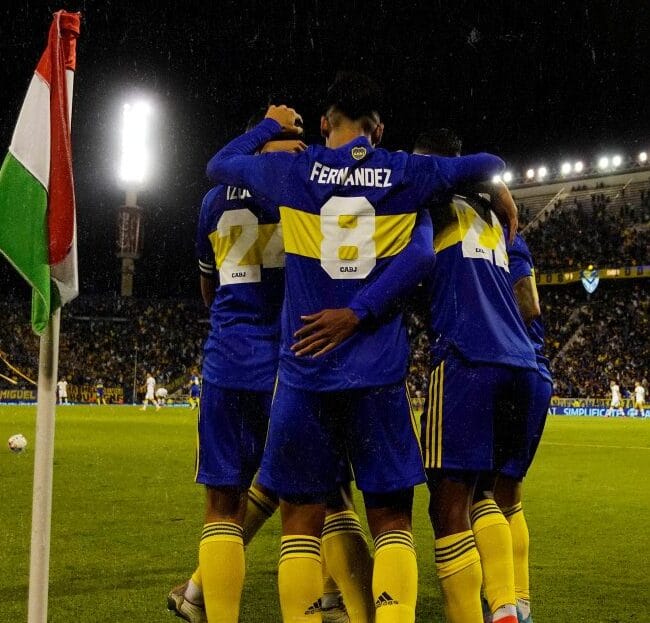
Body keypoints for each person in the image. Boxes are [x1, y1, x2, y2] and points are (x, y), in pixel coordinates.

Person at [207, 72, 507, 622]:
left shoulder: (294, 171)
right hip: (378, 376)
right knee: (392, 521)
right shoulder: (407, 171)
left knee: (300, 521)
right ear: (379, 128)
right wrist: (496, 189)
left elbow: (220, 165)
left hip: (305, 374)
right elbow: (488, 162)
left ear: (325, 123)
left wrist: (269, 126)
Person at [171, 124, 371, 623]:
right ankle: (348, 606)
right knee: (315, 503)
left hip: (228, 359)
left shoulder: (213, 200)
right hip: (293, 362)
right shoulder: (299, 188)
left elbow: (208, 288)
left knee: (223, 505)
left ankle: (201, 596)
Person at [413, 129, 537, 623]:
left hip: (467, 355)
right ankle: (507, 609)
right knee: (484, 493)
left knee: (446, 506)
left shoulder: (427, 197)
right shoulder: (488, 209)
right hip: (517, 360)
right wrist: (494, 185)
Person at [491, 231, 553, 623]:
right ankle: (519, 603)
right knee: (509, 495)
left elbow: (528, 305)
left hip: (507, 368)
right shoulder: (511, 242)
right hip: (532, 371)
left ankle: (502, 603)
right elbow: (529, 305)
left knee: (479, 497)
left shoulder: (504, 238)